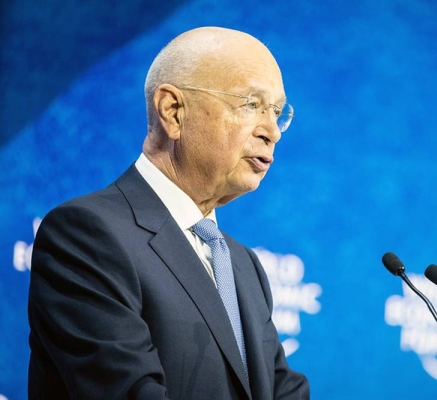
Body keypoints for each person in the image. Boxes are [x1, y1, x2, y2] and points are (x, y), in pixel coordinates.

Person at [28, 26, 310, 399]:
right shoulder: (86, 236)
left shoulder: (243, 264)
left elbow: (283, 391)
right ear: (173, 111)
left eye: (277, 112)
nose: (271, 131)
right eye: (251, 105)